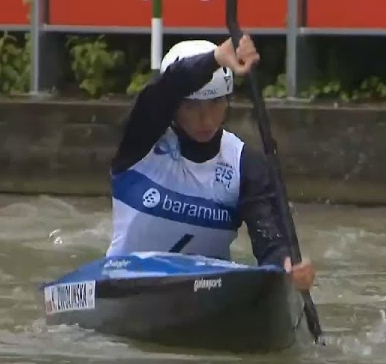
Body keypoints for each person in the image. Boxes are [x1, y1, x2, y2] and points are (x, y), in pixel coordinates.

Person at [105, 35, 316, 292]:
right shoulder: (139, 141)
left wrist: (286, 268)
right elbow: (163, 91)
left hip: (207, 292)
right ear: (173, 106)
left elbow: (270, 240)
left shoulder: (244, 164)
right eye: (192, 106)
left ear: (228, 101)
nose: (206, 120)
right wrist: (215, 59)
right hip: (126, 282)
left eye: (216, 102)